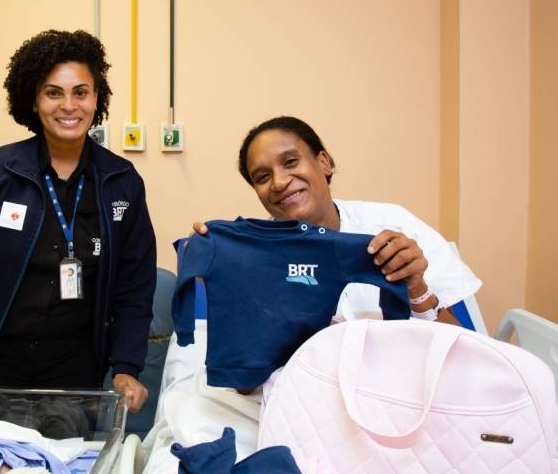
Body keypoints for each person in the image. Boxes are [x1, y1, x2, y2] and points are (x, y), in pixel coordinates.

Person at [0, 30, 156, 432]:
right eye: (53, 93)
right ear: (33, 99)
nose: (69, 106)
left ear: (97, 99)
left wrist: (126, 366)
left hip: (74, 367)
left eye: (81, 92)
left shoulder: (120, 181)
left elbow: (133, 286)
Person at [197, 115, 480, 324]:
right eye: (262, 177)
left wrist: (416, 290)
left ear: (324, 162)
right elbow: (244, 385)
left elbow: (462, 352)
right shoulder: (254, 258)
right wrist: (230, 282)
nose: (280, 182)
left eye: (291, 162)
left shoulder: (394, 226)